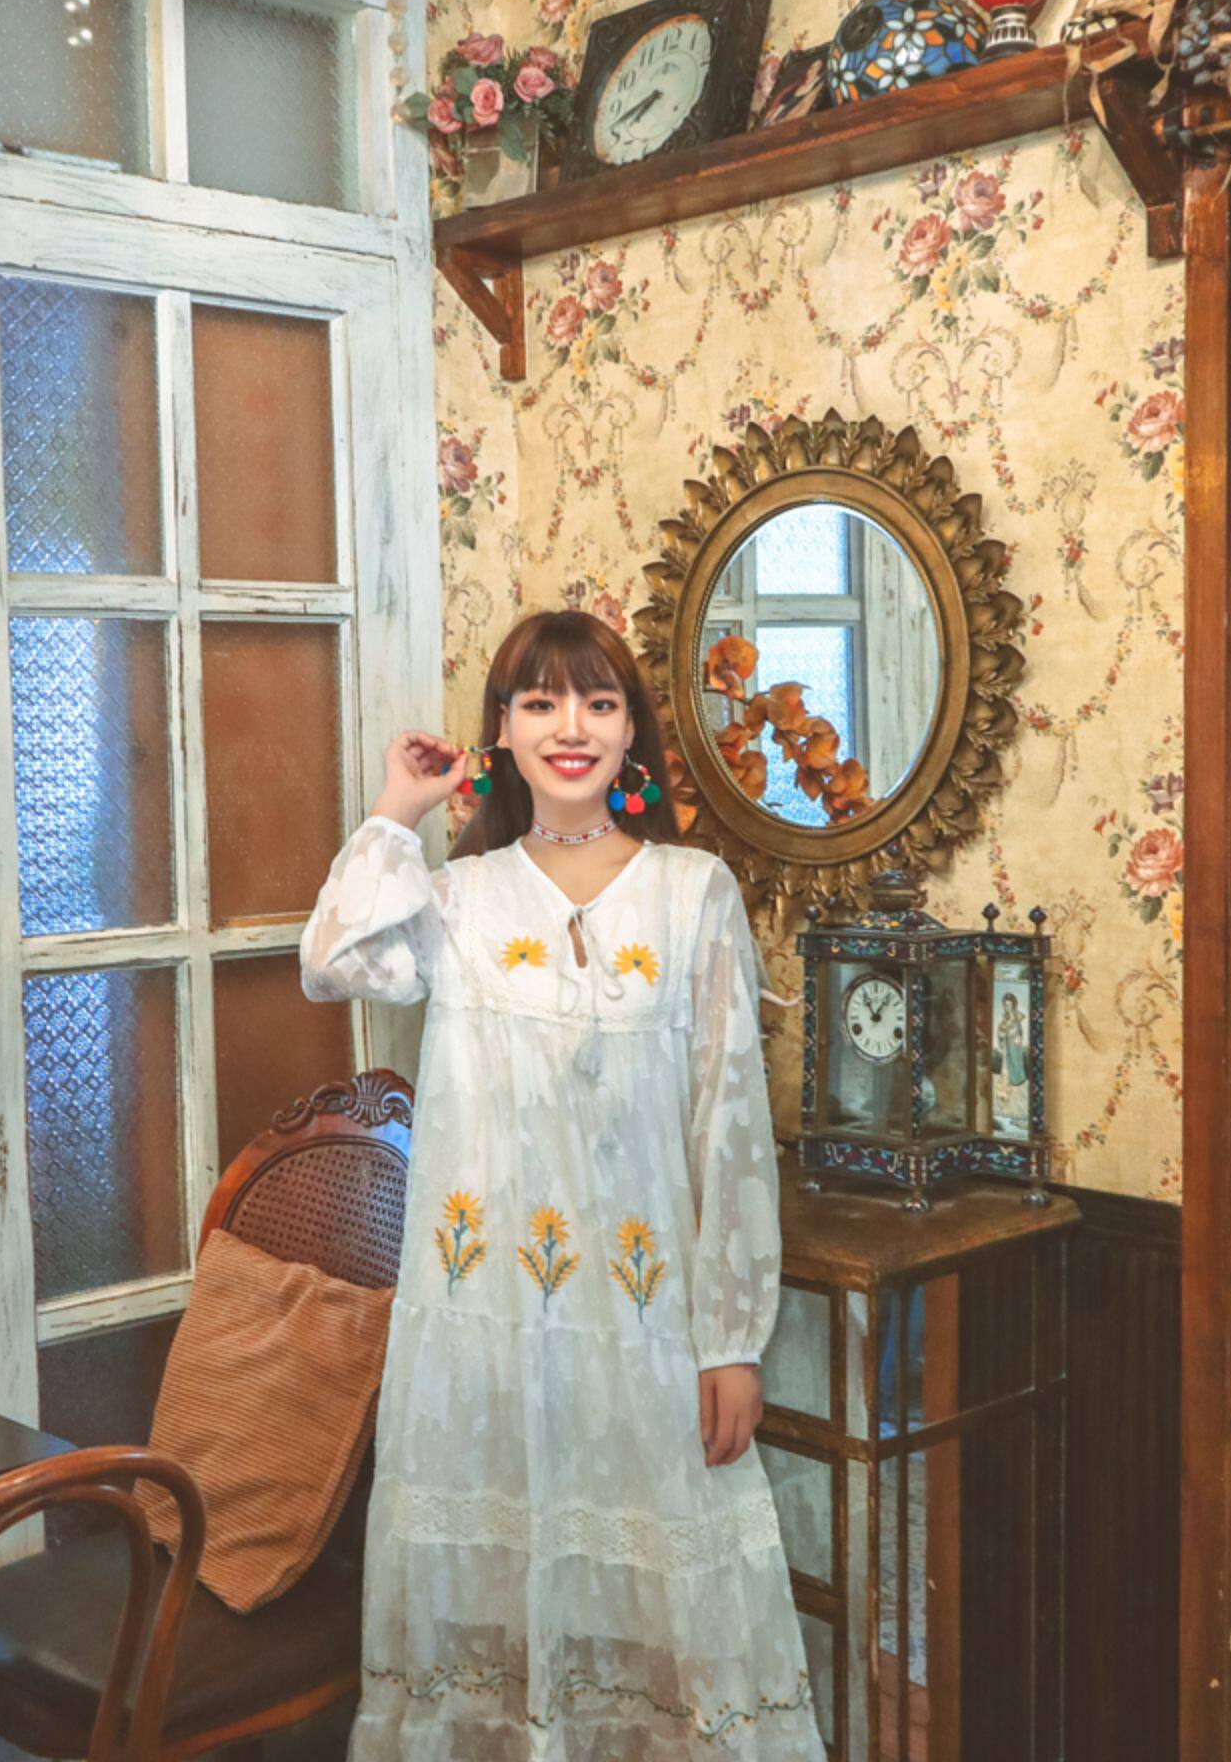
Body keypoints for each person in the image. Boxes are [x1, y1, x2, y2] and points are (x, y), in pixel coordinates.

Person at [300, 608, 824, 1760]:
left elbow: (731, 1128)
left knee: (663, 1604)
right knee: (497, 1596)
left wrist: (732, 1341)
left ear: (631, 731)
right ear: (503, 731)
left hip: (644, 1328)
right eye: (539, 703)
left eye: (597, 701)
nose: (570, 727)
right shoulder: (460, 897)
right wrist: (397, 808)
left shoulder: (693, 894)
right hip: (482, 1331)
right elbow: (333, 962)